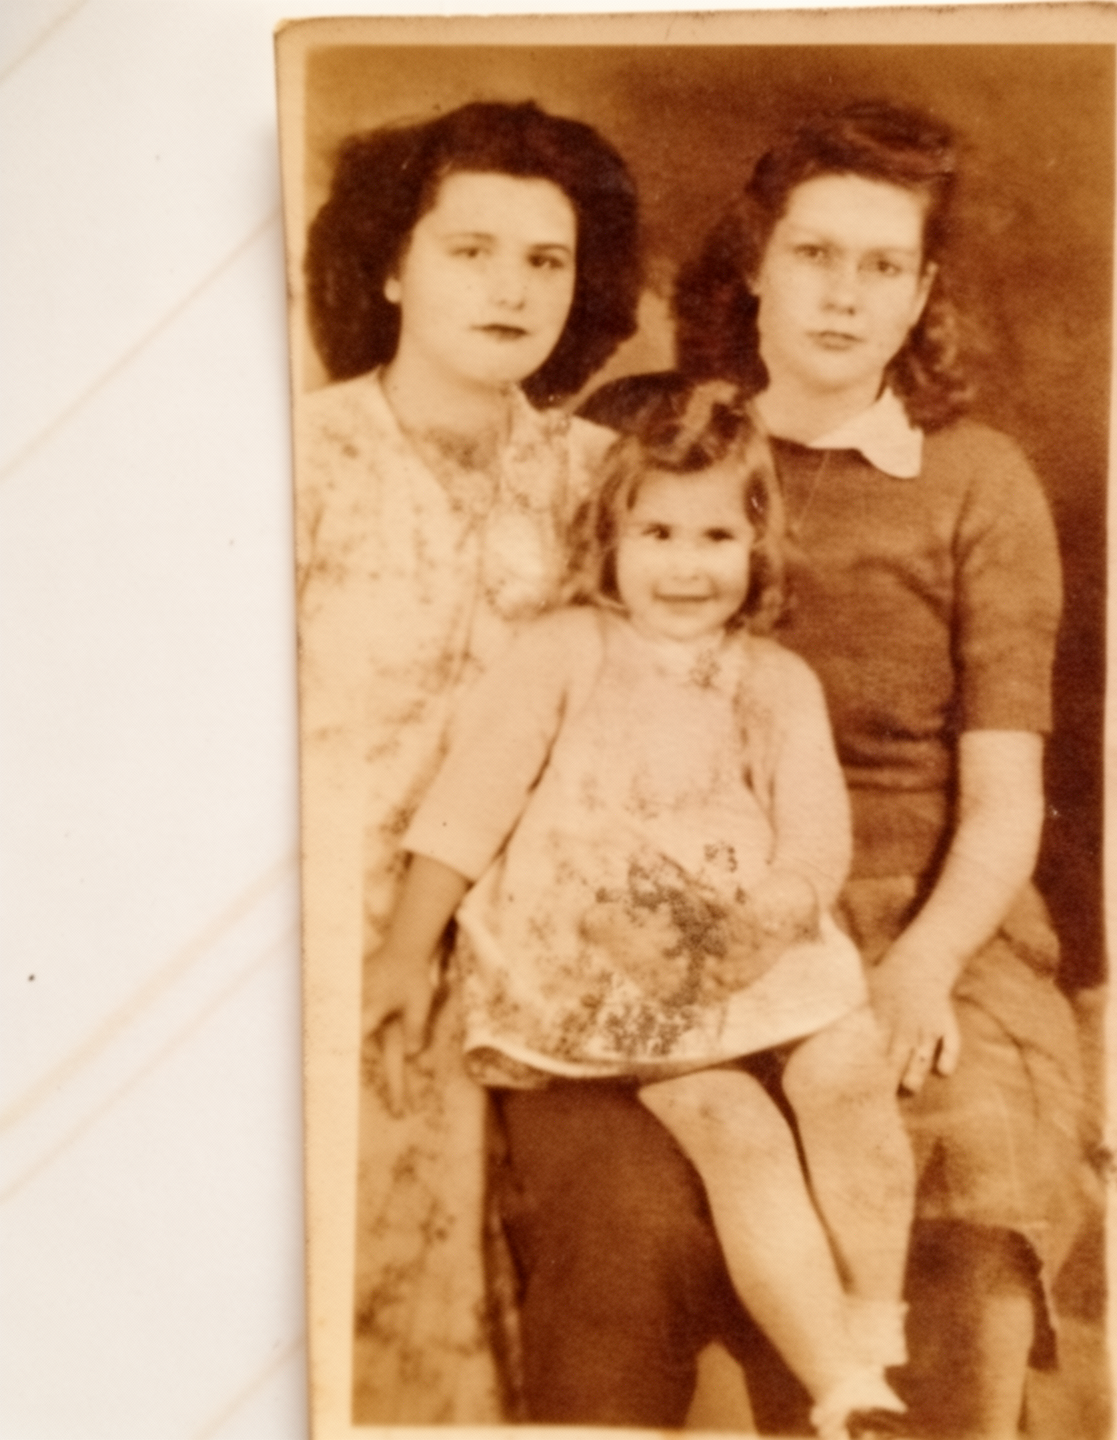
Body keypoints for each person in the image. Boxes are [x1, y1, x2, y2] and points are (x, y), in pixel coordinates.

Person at [492, 101, 1096, 1440]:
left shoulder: (977, 481)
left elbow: (1004, 799)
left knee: (964, 1181)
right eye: (816, 254)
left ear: (922, 294)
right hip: (657, 904)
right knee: (631, 1217)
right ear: (757, 263)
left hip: (912, 909)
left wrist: (922, 968)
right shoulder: (645, 433)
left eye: (884, 267)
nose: (844, 293)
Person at [368, 383, 917, 1440]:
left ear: (758, 545)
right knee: (737, 1126)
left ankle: (874, 1331)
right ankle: (844, 1390)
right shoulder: (568, 650)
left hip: (753, 939)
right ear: (610, 539)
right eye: (657, 533)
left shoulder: (775, 680)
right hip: (617, 958)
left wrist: (774, 914)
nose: (685, 565)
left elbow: (815, 835)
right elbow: (470, 802)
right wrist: (404, 949)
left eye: (716, 536)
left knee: (847, 1073)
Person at [293, 99, 641, 1421]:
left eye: (546, 260)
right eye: (471, 251)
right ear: (390, 264)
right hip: (327, 933)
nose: (513, 289)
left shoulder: (605, 482)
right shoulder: (306, 460)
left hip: (536, 944)